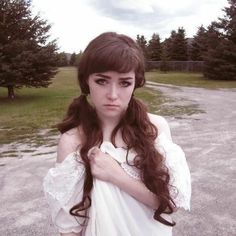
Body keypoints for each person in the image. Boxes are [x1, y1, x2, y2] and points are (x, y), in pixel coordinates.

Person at [43, 32, 191, 236]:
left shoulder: (155, 128)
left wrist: (116, 175)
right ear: (86, 81)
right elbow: (69, 228)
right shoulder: (72, 141)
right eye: (102, 81)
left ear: (135, 84)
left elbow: (170, 205)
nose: (113, 95)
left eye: (124, 83)